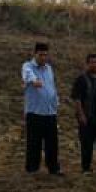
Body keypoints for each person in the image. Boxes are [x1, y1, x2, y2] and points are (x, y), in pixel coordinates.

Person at [22, 41, 62, 176]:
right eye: (40, 55)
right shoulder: (28, 66)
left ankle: (53, 168)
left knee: (52, 142)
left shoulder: (49, 69)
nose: (43, 57)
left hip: (50, 112)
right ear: (35, 54)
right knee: (34, 142)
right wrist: (34, 81)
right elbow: (28, 75)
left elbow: (52, 86)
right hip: (35, 112)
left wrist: (56, 102)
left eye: (45, 55)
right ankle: (32, 169)